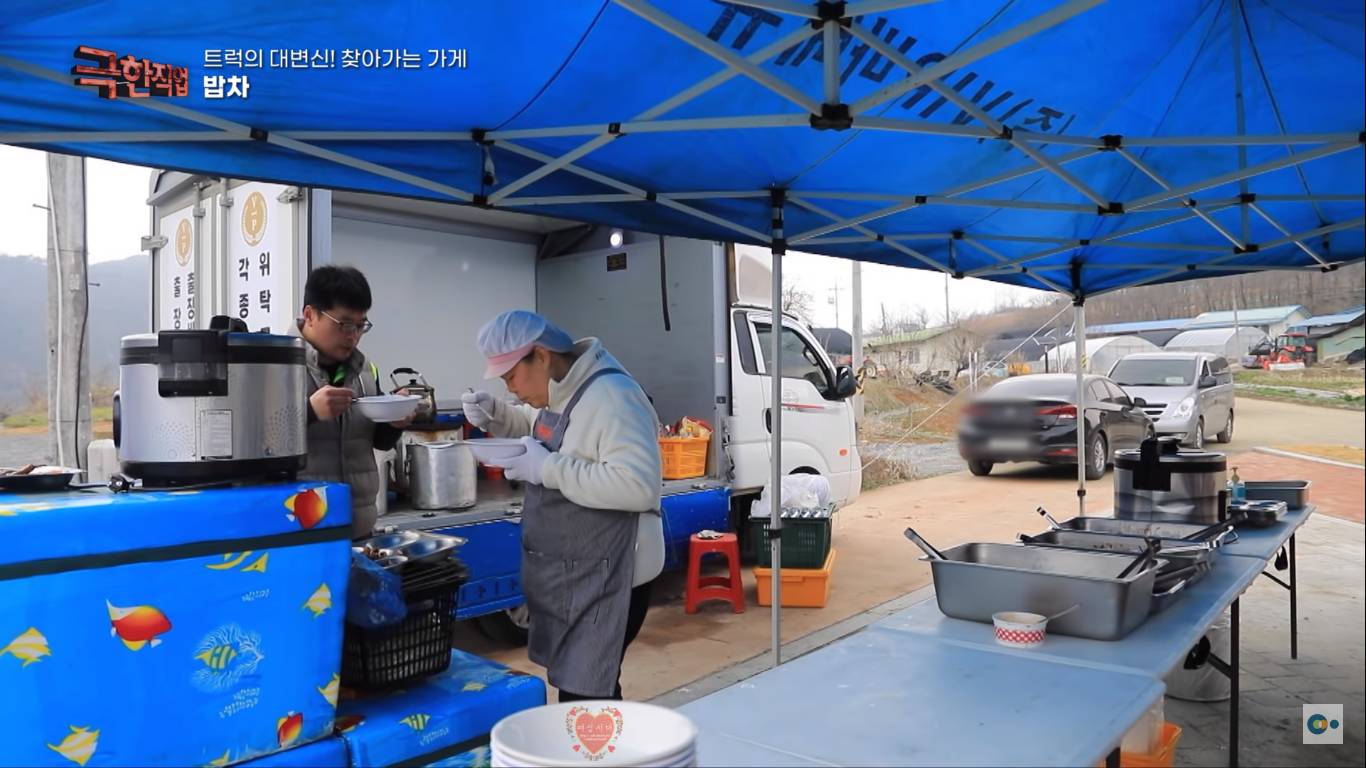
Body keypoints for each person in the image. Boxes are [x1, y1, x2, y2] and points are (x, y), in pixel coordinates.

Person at [462, 310, 663, 702]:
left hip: (614, 576)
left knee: (586, 694)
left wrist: (548, 468)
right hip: (580, 571)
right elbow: (536, 421)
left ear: (541, 355)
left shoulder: (613, 397)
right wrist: (498, 415)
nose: (512, 389)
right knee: (581, 691)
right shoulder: (563, 386)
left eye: (511, 377)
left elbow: (638, 485)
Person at [296, 265, 408, 539]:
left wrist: (395, 421)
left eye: (361, 326)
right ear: (310, 315)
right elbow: (255, 444)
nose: (353, 335)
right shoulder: (276, 364)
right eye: (344, 324)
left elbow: (376, 441)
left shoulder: (364, 368)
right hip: (301, 534)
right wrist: (309, 412)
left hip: (360, 528)